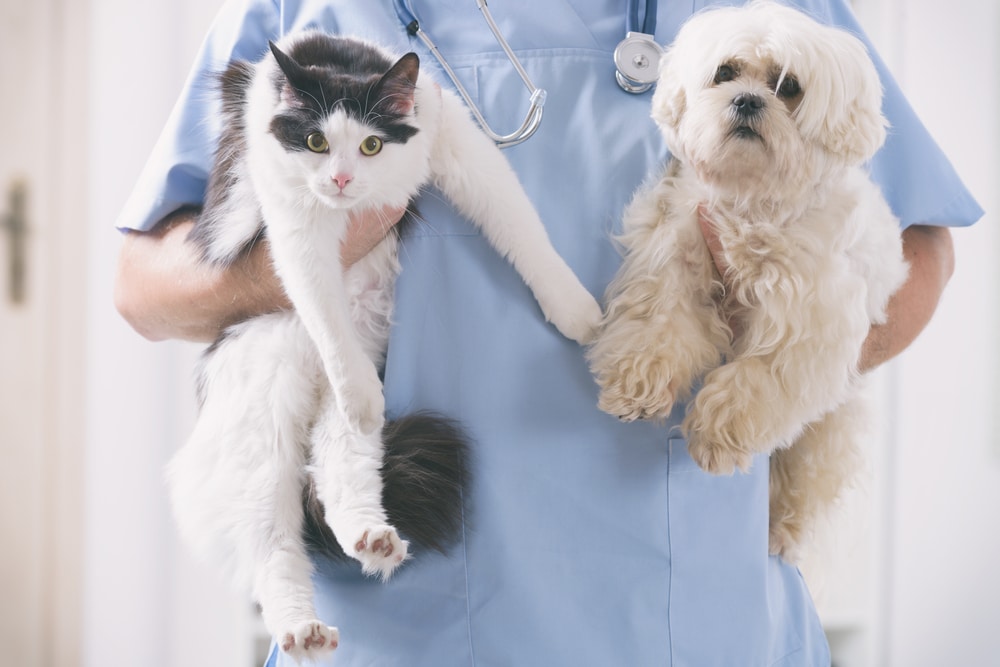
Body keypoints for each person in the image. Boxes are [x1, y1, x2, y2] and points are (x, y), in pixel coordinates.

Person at [113, 1, 980, 664]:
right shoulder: (319, 8)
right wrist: (308, 255)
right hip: (397, 613)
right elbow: (145, 286)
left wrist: (790, 351)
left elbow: (919, 247)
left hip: (691, 615)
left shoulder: (765, 17)